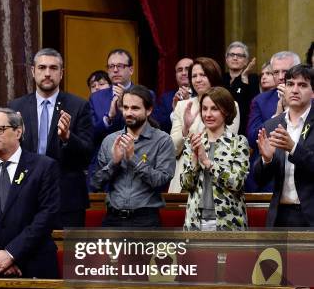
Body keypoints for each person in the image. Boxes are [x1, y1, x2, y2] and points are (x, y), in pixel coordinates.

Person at [0, 108, 60, 278]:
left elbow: (47, 215)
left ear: (18, 132)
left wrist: (12, 254)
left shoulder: (43, 167)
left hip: (33, 265)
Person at [8, 48, 93, 227]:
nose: (47, 73)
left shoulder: (79, 106)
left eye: (54, 68)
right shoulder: (16, 106)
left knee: (67, 255)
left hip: (67, 200)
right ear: (33, 71)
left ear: (61, 73)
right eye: (42, 67)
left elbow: (87, 154)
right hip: (25, 197)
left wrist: (68, 138)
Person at [91, 85, 175, 228]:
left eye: (135, 108)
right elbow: (95, 183)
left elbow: (161, 181)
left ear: (148, 110)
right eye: (125, 107)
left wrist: (133, 159)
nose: (128, 113)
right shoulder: (110, 140)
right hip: (113, 219)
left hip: (146, 221)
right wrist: (114, 162)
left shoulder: (163, 140)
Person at [253, 64, 314, 228]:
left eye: (302, 85)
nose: (294, 90)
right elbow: (259, 179)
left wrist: (293, 148)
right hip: (280, 215)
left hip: (310, 216)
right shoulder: (272, 124)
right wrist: (267, 159)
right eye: (290, 84)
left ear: (313, 92)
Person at [181, 87, 249, 231]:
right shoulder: (193, 141)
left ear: (226, 112)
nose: (208, 114)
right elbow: (186, 185)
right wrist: (194, 159)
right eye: (204, 109)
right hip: (195, 222)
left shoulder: (238, 142)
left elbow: (237, 182)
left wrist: (207, 162)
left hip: (230, 222)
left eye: (214, 109)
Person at [168, 57, 240, 192]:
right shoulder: (183, 106)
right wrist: (185, 129)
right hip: (186, 179)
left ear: (213, 76)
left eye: (203, 75)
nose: (198, 80)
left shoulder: (230, 104)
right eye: (194, 76)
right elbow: (173, 149)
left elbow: (227, 144)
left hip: (217, 177)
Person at [246, 51, 300, 192]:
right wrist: (277, 115)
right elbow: (252, 139)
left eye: (286, 71)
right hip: (268, 180)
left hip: (302, 179)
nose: (281, 77)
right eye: (276, 72)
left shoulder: (309, 100)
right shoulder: (261, 100)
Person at [222, 41, 259, 136]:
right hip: (222, 127)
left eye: (240, 55)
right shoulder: (221, 78)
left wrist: (244, 78)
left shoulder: (253, 78)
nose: (235, 58)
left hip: (244, 129)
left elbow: (250, 105)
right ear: (226, 59)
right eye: (232, 55)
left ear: (246, 61)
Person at [156, 57, 194, 134]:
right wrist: (174, 111)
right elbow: (159, 126)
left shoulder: (202, 95)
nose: (183, 73)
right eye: (179, 70)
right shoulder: (166, 98)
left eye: (187, 69)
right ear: (176, 75)